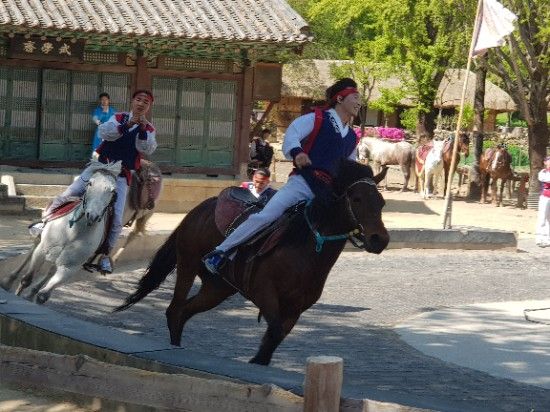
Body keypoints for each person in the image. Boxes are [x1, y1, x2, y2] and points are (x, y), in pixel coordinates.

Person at [203, 78, 361, 274]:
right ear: (340, 98)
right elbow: (293, 134)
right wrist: (298, 152)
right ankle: (221, 252)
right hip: (303, 183)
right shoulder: (318, 118)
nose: (359, 102)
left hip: (328, 193)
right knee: (267, 216)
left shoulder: (353, 137)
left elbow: (351, 167)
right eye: (355, 97)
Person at [29, 90, 157, 273]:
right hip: (99, 166)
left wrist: (142, 130)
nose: (141, 103)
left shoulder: (149, 128)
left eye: (146, 101)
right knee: (70, 193)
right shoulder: (118, 117)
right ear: (132, 101)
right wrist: (127, 124)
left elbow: (147, 148)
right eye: (139, 99)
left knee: (117, 218)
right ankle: (44, 223)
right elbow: (106, 133)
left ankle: (105, 254)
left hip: (120, 174)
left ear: (149, 106)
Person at [535, 155, 550, 247]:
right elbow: (545, 180)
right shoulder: (543, 172)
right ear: (545, 162)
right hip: (545, 197)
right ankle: (540, 238)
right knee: (542, 217)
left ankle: (548, 239)